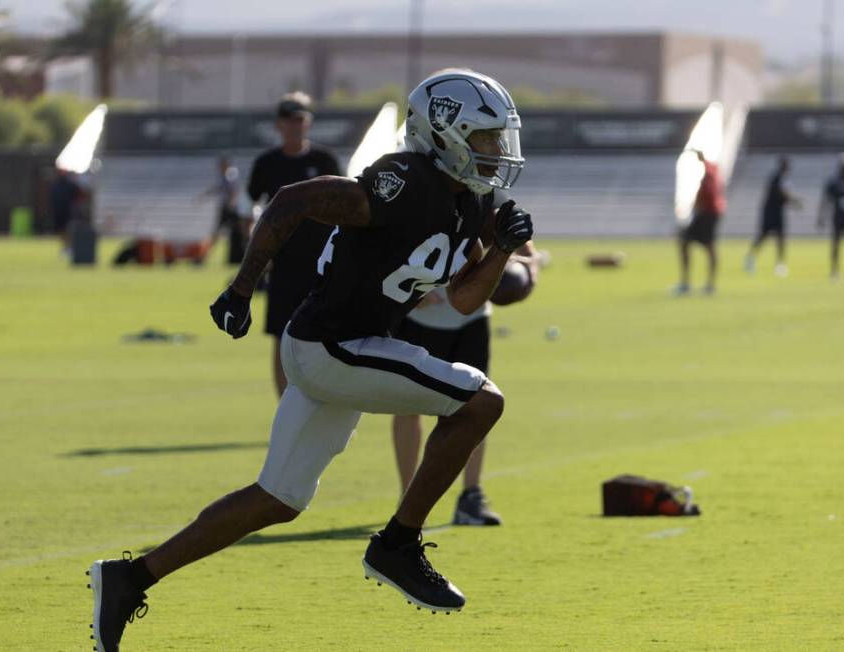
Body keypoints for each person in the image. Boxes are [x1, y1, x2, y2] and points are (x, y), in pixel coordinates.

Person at [87, 69, 532, 650]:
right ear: (446, 133)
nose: (497, 153)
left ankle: (130, 579)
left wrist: (499, 250)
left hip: (337, 348)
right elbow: (294, 200)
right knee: (480, 403)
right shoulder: (405, 180)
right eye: (486, 139)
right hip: (336, 347)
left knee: (277, 499)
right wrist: (241, 288)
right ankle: (397, 545)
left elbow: (466, 297)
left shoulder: (467, 202)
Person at [391, 244, 539, 526]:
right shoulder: (421, 200)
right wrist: (407, 291)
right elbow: (389, 242)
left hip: (473, 318)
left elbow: (525, 246)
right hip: (420, 318)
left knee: (476, 404)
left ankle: (471, 496)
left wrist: (527, 271)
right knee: (408, 407)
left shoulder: (487, 200)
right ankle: (407, 498)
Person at [247, 92, 342, 396]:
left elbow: (342, 205)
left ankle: (328, 406)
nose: (295, 126)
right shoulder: (267, 164)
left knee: (328, 333)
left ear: (308, 123)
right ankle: (285, 406)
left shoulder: (323, 160)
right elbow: (251, 209)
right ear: (278, 125)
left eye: (300, 120)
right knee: (282, 334)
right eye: (289, 120)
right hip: (284, 262)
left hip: (322, 262)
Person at [675, 150, 726, 295]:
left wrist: (695, 207)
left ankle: (688, 284)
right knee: (706, 247)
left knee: (688, 242)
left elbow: (706, 193)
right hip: (713, 212)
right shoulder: (713, 169)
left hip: (707, 213)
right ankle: (708, 284)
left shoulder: (708, 174)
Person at [744, 155, 802, 277]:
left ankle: (780, 264)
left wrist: (793, 201)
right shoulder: (776, 178)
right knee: (763, 236)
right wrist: (795, 202)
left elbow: (785, 194)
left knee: (780, 238)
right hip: (770, 212)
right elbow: (783, 194)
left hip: (778, 212)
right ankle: (750, 258)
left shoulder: (783, 178)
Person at [203, 156, 250, 265]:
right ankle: (205, 257)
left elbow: (235, 191)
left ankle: (245, 254)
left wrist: (232, 203)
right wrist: (203, 196)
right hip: (226, 208)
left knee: (239, 232)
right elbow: (217, 188)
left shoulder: (231, 175)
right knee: (218, 233)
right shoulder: (224, 176)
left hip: (231, 209)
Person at [49, 166, 82, 256]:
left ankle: (70, 248)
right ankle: (64, 248)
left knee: (69, 231)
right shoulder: (55, 185)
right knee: (60, 231)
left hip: (68, 212)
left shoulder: (71, 185)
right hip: (58, 212)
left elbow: (79, 195)